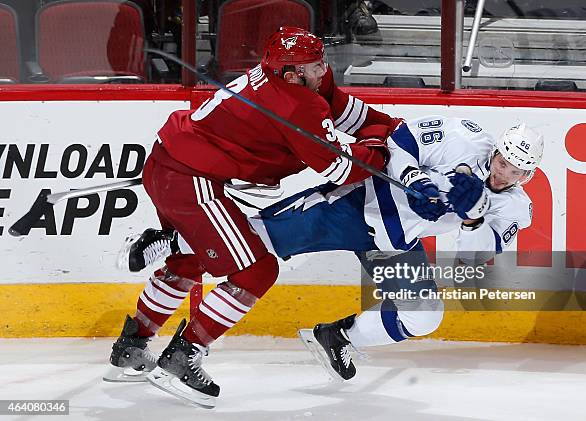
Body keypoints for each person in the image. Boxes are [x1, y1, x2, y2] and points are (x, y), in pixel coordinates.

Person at [103, 26, 399, 407]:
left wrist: (391, 129)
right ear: (291, 73)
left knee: (189, 262)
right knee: (257, 270)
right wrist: (381, 151)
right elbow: (341, 170)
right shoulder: (296, 104)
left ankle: (131, 349)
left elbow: (347, 112)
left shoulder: (294, 78)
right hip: (190, 179)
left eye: (322, 60)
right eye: (315, 65)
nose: (323, 69)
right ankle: (183, 356)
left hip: (172, 164)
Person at [247, 117, 544, 380]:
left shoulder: (514, 208)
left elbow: (471, 258)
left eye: (516, 172)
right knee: (251, 241)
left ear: (527, 177)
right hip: (356, 207)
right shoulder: (466, 138)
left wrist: (473, 219)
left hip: (393, 244)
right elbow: (401, 141)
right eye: (503, 163)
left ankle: (337, 336)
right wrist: (416, 180)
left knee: (424, 315)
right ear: (496, 152)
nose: (503, 175)